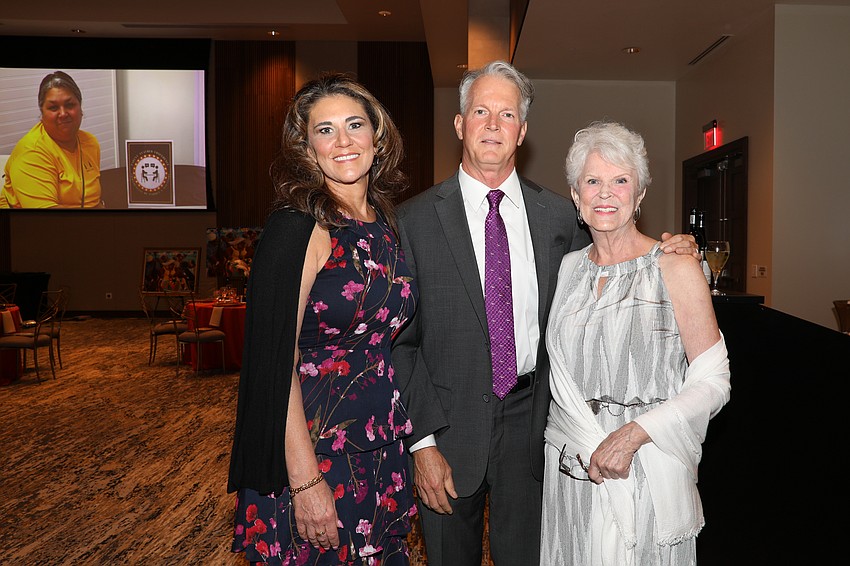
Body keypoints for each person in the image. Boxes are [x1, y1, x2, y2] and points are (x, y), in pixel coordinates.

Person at [392, 60, 699, 566]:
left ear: (523, 131)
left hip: (535, 431)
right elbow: (401, 342)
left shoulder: (559, 216)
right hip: (446, 433)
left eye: (507, 114)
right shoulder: (413, 219)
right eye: (481, 111)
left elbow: (615, 255)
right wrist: (421, 443)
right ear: (459, 123)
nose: (493, 124)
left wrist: (674, 248)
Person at [227, 73, 418, 565]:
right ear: (307, 148)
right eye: (325, 130)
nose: (343, 141)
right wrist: (305, 479)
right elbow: (273, 365)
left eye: (355, 124)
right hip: (314, 450)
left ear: (378, 135)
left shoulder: (387, 223)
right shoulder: (297, 229)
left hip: (380, 444)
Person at [541, 121, 731, 565]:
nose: (605, 193)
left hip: (644, 464)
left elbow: (714, 380)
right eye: (593, 181)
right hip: (571, 473)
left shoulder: (675, 266)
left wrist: (635, 434)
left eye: (620, 181)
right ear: (575, 195)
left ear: (640, 194)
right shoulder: (568, 269)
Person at [0, 71, 102, 208]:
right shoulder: (31, 152)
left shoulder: (90, 142)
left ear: (80, 108)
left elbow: (94, 199)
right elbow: (48, 219)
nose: (63, 113)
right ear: (42, 114)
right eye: (53, 108)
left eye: (70, 105)